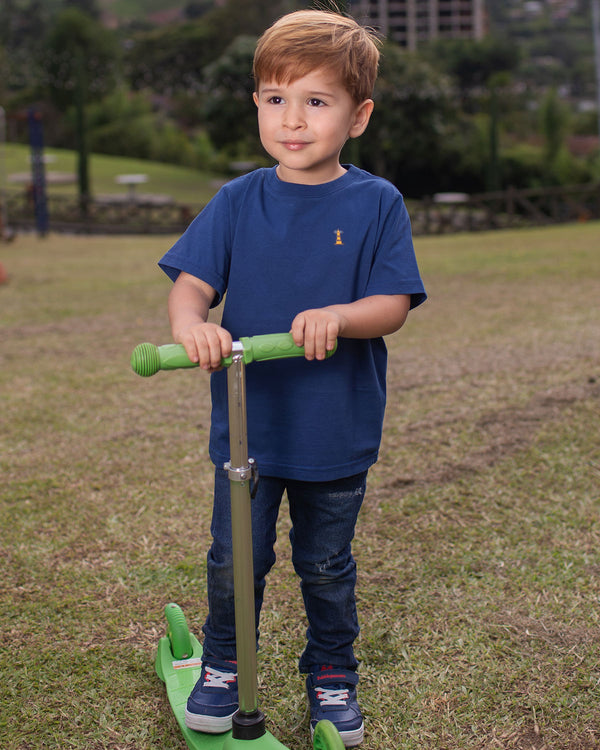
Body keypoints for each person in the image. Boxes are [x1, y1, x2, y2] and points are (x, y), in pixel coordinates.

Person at [158, 9, 426, 747]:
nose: (294, 120)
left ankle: (332, 675)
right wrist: (193, 325)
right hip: (248, 429)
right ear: (257, 105)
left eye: (317, 101)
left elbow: (394, 304)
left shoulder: (376, 203)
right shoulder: (239, 200)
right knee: (234, 558)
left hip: (333, 429)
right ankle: (221, 667)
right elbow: (189, 283)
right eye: (277, 99)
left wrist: (340, 316)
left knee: (325, 563)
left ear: (358, 115)